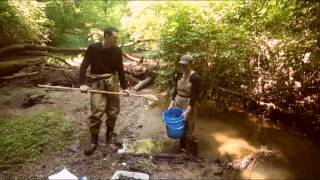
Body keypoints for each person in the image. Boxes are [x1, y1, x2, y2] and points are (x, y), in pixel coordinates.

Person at [79, 27, 130, 156]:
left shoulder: (117, 50)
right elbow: (84, 65)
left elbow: (120, 69)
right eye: (114, 37)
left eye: (117, 37)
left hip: (112, 81)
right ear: (106, 36)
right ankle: (93, 142)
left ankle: (109, 136)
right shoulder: (93, 48)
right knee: (97, 110)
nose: (116, 39)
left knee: (113, 110)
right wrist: (82, 84)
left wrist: (125, 88)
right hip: (97, 81)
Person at [168, 54, 201, 157]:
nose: (183, 67)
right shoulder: (178, 74)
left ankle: (192, 154)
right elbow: (175, 90)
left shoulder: (195, 77)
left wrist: (188, 110)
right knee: (180, 125)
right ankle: (182, 149)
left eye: (185, 65)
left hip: (189, 102)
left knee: (189, 126)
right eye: (181, 65)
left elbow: (194, 95)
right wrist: (171, 103)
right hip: (178, 100)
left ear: (191, 64)